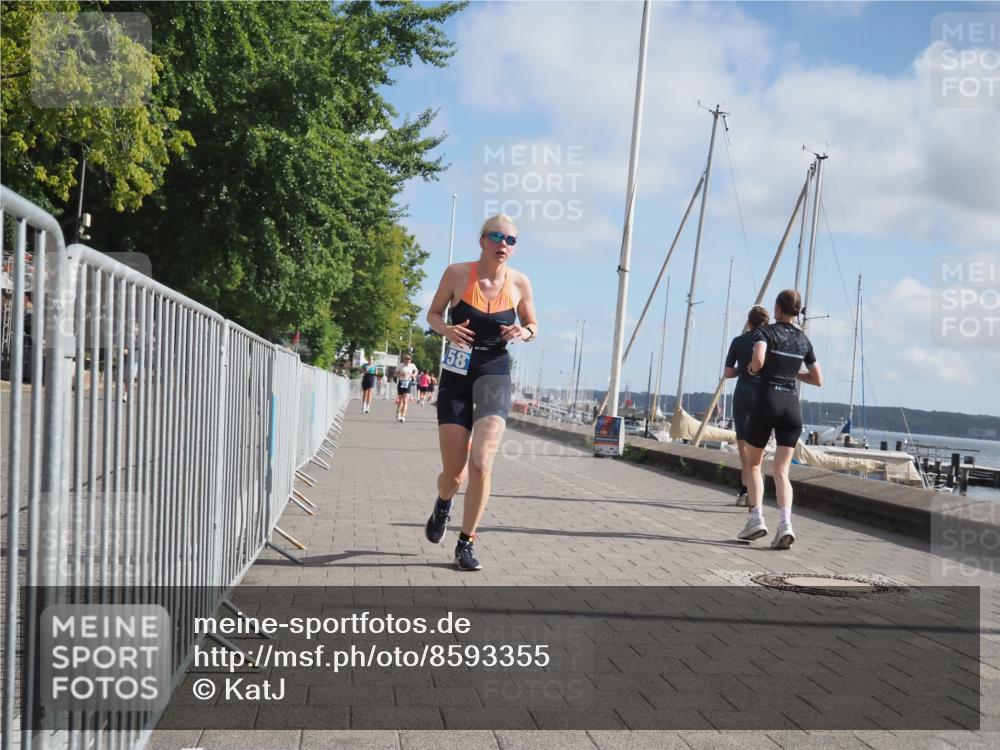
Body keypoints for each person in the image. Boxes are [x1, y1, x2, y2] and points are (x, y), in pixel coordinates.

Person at [424, 214, 538, 571]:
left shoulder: (520, 283)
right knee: (454, 474)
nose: (504, 244)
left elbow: (533, 324)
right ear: (482, 240)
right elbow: (432, 314)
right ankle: (444, 503)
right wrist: (446, 330)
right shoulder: (457, 274)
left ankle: (466, 543)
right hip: (457, 373)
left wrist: (525, 333)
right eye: (497, 236)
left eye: (511, 240)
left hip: (494, 372)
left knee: (482, 462)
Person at [738, 289, 823, 549]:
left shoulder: (766, 332)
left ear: (777, 308)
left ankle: (756, 519)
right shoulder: (804, 340)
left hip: (767, 402)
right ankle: (785, 524)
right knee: (782, 472)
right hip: (791, 407)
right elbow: (818, 379)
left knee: (753, 465)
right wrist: (793, 374)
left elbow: (759, 359)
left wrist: (753, 368)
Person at [723, 305, 770, 506]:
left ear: (749, 322)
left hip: (743, 392)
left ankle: (745, 488)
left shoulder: (738, 341)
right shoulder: (769, 341)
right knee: (758, 444)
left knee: (742, 443)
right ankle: (755, 483)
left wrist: (743, 369)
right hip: (763, 393)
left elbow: (727, 372)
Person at [394, 354, 418, 422]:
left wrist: (413, 375)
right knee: (400, 400)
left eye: (409, 359)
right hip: (401, 382)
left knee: (405, 400)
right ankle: (398, 412)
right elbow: (395, 374)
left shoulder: (412, 365)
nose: (408, 360)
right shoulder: (400, 365)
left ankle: (403, 416)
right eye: (406, 359)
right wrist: (401, 374)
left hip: (408, 383)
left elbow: (416, 371)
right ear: (404, 359)